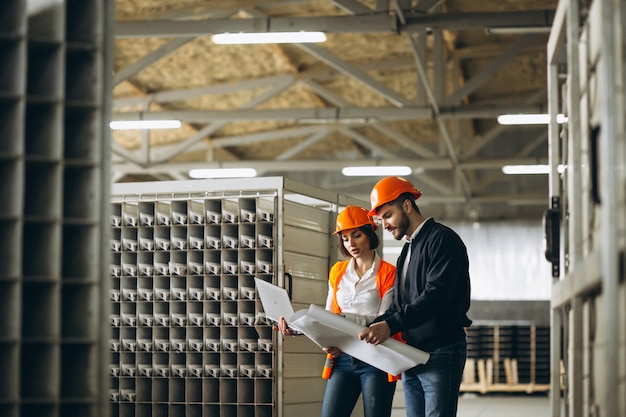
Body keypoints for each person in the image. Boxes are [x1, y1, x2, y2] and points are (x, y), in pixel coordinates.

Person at [358, 176, 472, 417]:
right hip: (412, 355)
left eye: (387, 215)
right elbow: (400, 305)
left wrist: (389, 325)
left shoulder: (442, 240)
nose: (385, 225)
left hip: (441, 352)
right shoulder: (407, 250)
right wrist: (367, 326)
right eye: (381, 219)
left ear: (407, 206)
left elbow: (435, 296)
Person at [277, 205, 398, 417]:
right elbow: (327, 316)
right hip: (342, 359)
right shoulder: (338, 271)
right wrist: (296, 327)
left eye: (357, 235)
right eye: (344, 238)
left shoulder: (389, 273)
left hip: (375, 360)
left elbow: (383, 321)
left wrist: (342, 320)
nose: (350, 243)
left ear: (370, 233)